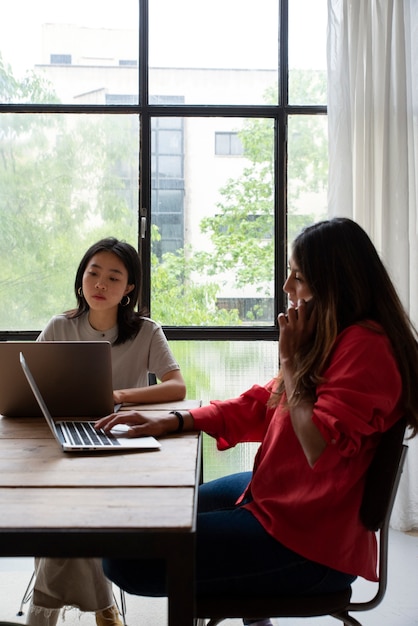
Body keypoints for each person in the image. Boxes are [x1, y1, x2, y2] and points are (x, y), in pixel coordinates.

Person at [95, 218, 418, 626]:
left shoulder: (367, 348)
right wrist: (176, 421)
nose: (287, 288)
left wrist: (290, 362)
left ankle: (250, 598)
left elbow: (316, 442)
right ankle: (250, 603)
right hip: (278, 501)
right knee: (158, 507)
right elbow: (261, 405)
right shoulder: (332, 335)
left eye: (298, 277)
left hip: (309, 545)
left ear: (335, 282)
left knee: (125, 559)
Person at [26, 237, 186, 626]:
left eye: (113, 277)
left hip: (118, 440)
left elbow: (176, 386)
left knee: (74, 514)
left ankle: (45, 611)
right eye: (93, 273)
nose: (100, 284)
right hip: (65, 437)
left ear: (129, 288)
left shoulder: (146, 330)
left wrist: (118, 394)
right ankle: (103, 608)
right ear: (81, 277)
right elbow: (30, 382)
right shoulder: (60, 326)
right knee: (67, 510)